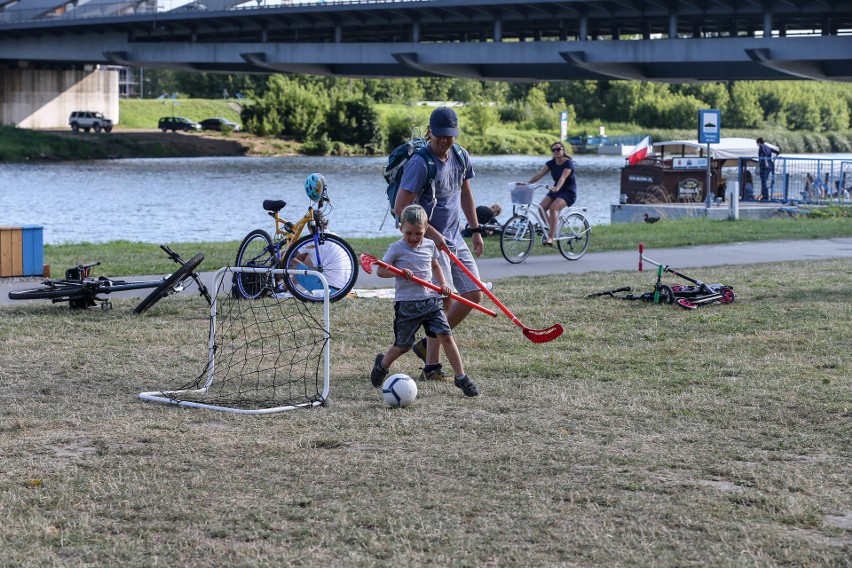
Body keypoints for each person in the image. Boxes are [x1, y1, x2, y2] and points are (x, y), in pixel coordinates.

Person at [394, 107, 484, 382]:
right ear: (430, 131)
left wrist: (476, 229)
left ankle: (425, 344)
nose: (445, 140)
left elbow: (466, 193)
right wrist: (432, 234)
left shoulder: (461, 156)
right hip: (429, 242)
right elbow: (401, 208)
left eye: (450, 135)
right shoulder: (420, 163)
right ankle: (432, 366)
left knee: (474, 294)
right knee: (443, 301)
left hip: (455, 237)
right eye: (440, 135)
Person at [370, 204, 479, 398]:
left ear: (426, 229)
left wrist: (444, 284)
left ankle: (461, 377)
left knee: (446, 336)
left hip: (431, 302)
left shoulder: (429, 245)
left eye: (418, 233)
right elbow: (381, 271)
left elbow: (435, 265)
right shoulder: (396, 249)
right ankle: (382, 365)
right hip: (407, 304)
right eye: (408, 233)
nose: (413, 238)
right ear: (401, 228)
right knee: (403, 345)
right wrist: (401, 273)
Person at [526, 142, 577, 245]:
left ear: (563, 150)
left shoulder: (568, 163)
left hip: (568, 192)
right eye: (553, 150)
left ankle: (551, 238)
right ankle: (552, 229)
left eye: (558, 149)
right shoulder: (551, 163)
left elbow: (563, 177)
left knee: (553, 208)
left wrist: (557, 187)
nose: (556, 151)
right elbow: (539, 175)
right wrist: (525, 184)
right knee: (541, 208)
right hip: (555, 190)